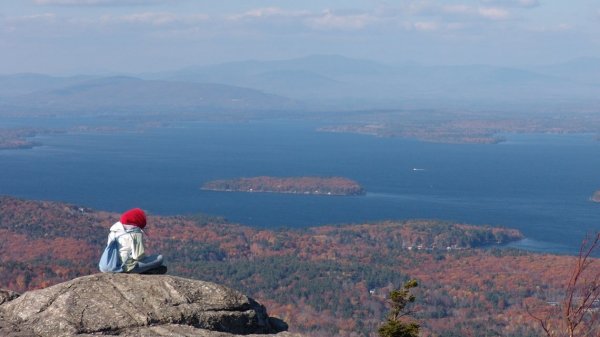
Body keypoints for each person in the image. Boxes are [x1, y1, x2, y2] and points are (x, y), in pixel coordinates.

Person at [106, 208, 167, 274]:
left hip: (111, 265)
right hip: (127, 268)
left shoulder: (113, 231)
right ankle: (146, 271)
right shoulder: (135, 233)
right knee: (159, 258)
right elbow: (138, 256)